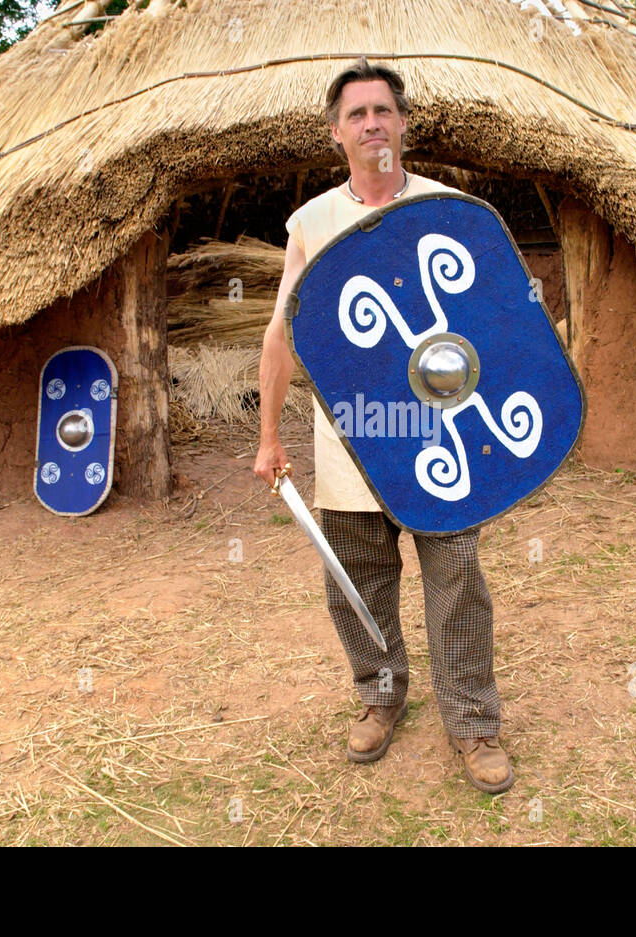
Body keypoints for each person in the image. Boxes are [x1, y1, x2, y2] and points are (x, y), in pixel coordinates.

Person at [252, 57, 513, 794]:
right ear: (336, 132)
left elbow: (492, 326)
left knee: (457, 581)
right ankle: (380, 694)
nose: (372, 123)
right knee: (359, 584)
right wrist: (269, 437)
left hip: (444, 442)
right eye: (357, 113)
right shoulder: (313, 222)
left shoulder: (448, 210)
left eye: (383, 110)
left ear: (403, 123)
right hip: (350, 441)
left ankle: (472, 720)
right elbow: (283, 334)